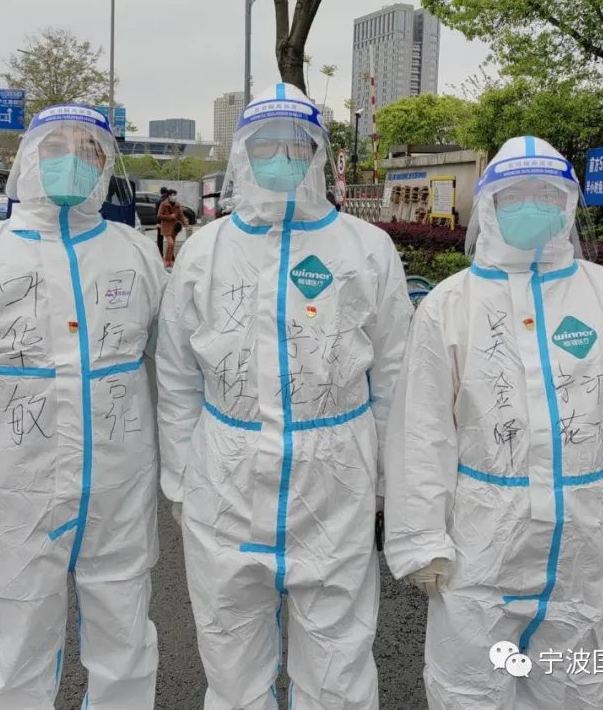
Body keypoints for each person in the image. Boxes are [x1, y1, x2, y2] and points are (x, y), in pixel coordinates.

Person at [384, 135, 603, 710]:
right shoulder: (451, 304)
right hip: (482, 537)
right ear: (489, 205)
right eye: (514, 196)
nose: (530, 207)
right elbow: (421, 430)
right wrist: (420, 536)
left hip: (584, 536)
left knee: (573, 685)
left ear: (567, 204)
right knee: (469, 687)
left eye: (545, 195)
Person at [157, 83, 413, 709]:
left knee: (338, 655)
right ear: (243, 154)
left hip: (336, 473)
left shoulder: (366, 248)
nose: (279, 157)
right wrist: (181, 480)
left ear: (316, 154)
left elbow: (395, 377)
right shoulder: (205, 250)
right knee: (230, 649)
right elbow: (177, 376)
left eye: (294, 145)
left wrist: (388, 480)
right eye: (264, 145)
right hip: (226, 473)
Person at [0, 103, 167, 710]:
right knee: (19, 637)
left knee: (125, 634)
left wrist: (188, 468)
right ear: (29, 158)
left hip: (118, 487)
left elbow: (178, 369)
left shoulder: (135, 254)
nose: (71, 160)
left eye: (87, 150)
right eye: (56, 147)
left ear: (104, 165)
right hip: (15, 490)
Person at [157, 186, 188, 268]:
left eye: (175, 195)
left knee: (172, 245)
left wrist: (185, 223)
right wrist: (170, 216)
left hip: (174, 228)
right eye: (173, 195)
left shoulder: (177, 205)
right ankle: (166, 260)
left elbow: (181, 216)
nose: (175, 196)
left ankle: (170, 261)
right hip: (166, 227)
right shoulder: (163, 204)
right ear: (169, 196)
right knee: (170, 243)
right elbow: (159, 216)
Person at [157, 187, 170, 256]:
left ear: (161, 192)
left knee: (160, 239)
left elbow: (157, 214)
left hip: (161, 222)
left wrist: (158, 223)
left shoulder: (158, 201)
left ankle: (160, 253)